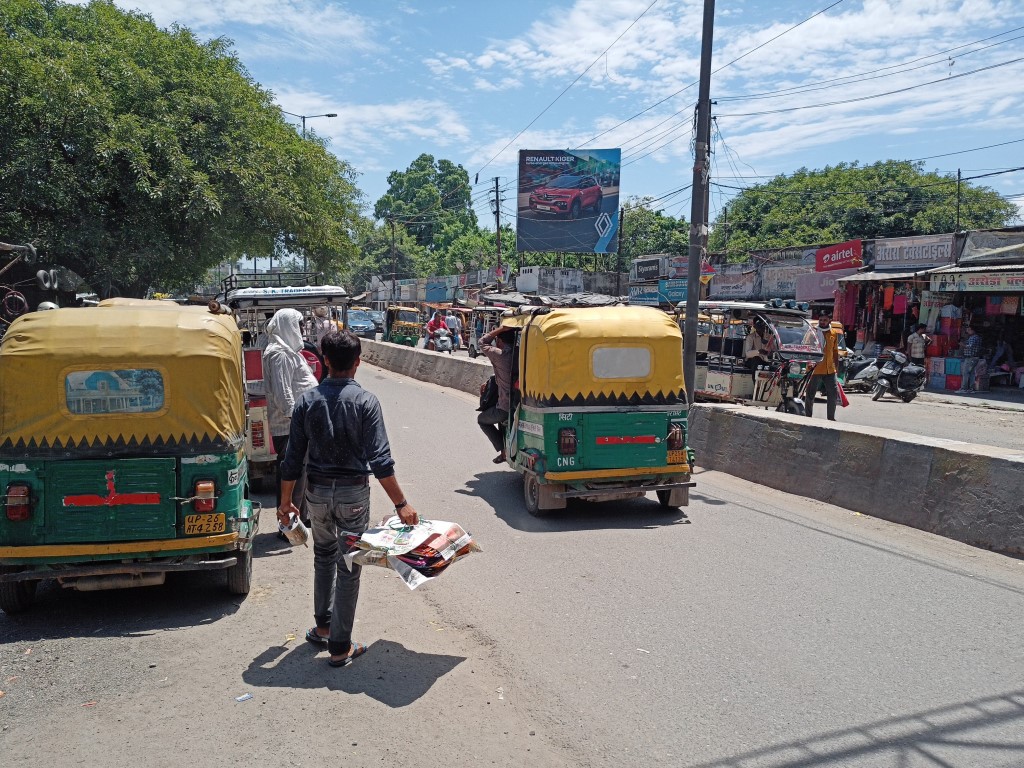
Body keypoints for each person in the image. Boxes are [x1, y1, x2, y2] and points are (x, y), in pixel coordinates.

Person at [278, 330, 418, 668]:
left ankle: (323, 626)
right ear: (357, 363)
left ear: (324, 360)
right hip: (353, 495)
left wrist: (286, 502)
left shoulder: (307, 401)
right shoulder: (366, 402)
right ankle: (339, 646)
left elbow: (292, 458)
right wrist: (401, 504)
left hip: (317, 495)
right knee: (349, 566)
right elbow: (381, 461)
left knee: (323, 556)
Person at [263, 308, 319, 521]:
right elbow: (282, 393)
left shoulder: (287, 351)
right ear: (288, 325)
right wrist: (297, 421)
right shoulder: (279, 353)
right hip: (289, 426)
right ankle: (288, 523)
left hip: (295, 424)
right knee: (292, 475)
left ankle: (300, 519)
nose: (301, 329)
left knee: (301, 474)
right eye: (299, 324)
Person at [477, 327, 515, 463]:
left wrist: (501, 329)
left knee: (481, 419)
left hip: (506, 407)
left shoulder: (500, 354)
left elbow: (482, 342)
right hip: (520, 404)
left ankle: (503, 451)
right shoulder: (521, 354)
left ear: (499, 341)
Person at [805, 309, 842, 421]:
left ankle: (831, 418)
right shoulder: (813, 332)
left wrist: (836, 366)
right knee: (810, 394)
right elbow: (807, 348)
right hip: (815, 368)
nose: (822, 322)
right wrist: (809, 364)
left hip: (829, 369)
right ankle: (808, 417)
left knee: (833, 393)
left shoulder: (833, 333)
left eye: (825, 320)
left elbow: (835, 351)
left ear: (830, 320)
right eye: (821, 320)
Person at [958, 326, 982, 394]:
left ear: (973, 330)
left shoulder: (973, 337)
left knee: (965, 373)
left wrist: (962, 344)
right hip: (974, 357)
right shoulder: (977, 337)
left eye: (969, 330)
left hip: (970, 358)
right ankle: (971, 388)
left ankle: (964, 388)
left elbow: (969, 346)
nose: (967, 331)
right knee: (971, 373)